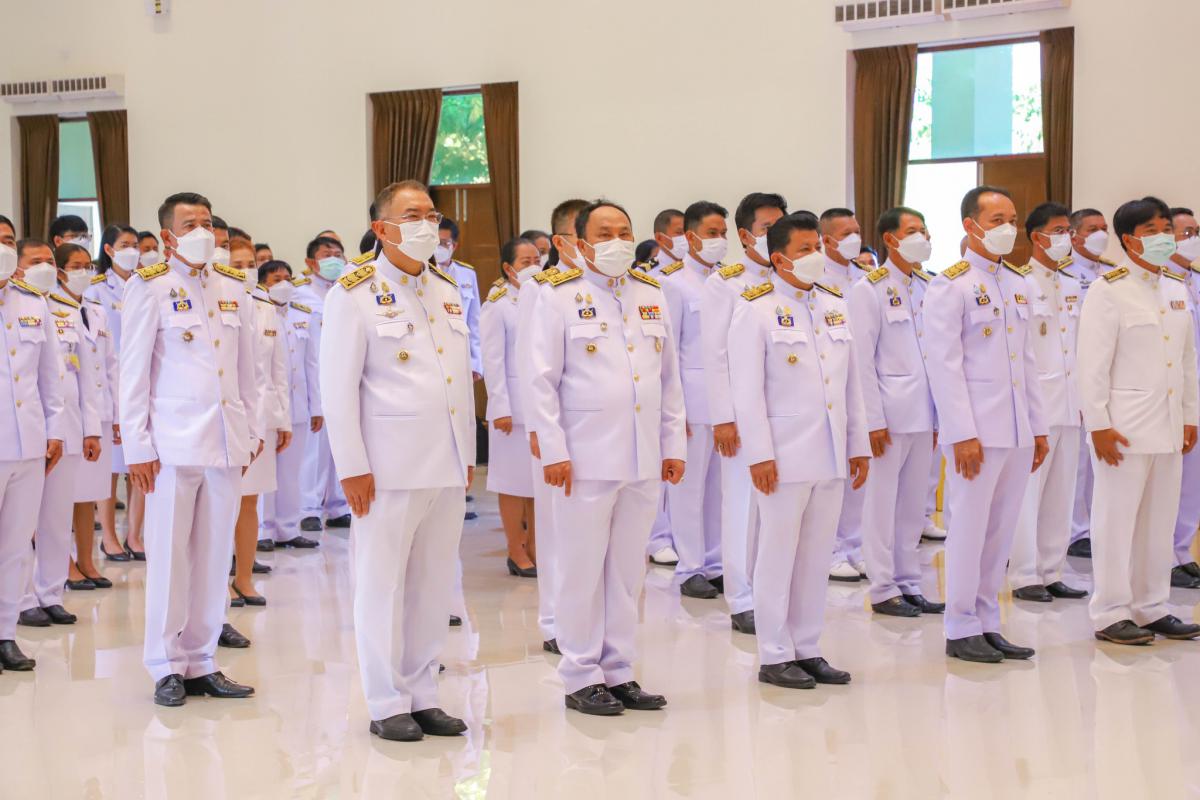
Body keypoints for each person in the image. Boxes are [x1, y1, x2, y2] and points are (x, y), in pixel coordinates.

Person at [322, 180, 475, 741]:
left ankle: (423, 693)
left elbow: (456, 381)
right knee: (381, 585)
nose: (427, 224)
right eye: (412, 216)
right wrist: (351, 466)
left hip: (445, 462)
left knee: (433, 586)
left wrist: (466, 452)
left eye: (431, 214)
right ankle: (386, 701)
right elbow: (338, 389)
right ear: (381, 229)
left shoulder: (445, 287)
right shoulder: (354, 292)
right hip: (386, 467)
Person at [528, 199, 686, 716]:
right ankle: (580, 673)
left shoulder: (650, 293)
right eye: (604, 233)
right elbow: (541, 381)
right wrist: (553, 449)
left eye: (624, 231)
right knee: (581, 568)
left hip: (642, 456)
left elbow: (668, 380)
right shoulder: (557, 296)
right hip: (584, 456)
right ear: (580, 243)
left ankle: (618, 670)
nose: (617, 241)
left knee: (626, 572)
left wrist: (673, 445)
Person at [121, 191, 262, 706]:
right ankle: (165, 665)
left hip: (225, 442)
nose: (203, 231)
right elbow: (133, 372)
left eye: (207, 222)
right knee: (169, 557)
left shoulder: (232, 286)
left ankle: (202, 660)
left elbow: (247, 368)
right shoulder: (150, 286)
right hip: (171, 446)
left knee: (213, 555)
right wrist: (137, 446)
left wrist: (250, 430)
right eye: (190, 224)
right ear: (168, 236)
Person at [729, 211, 868, 689]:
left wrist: (858, 444)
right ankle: (774, 653)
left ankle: (807, 647)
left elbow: (851, 385)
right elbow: (747, 392)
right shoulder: (756, 309)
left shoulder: (834, 304)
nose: (815, 257)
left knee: (815, 555)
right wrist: (759, 455)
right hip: (783, 455)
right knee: (777, 554)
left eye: (817, 248)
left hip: (830, 452)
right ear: (779, 258)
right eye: (804, 250)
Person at [924, 185, 1049, 663]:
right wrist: (961, 433)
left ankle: (988, 620)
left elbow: (1027, 362)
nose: (1008, 229)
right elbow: (945, 365)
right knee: (969, 529)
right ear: (970, 226)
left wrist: (1037, 427)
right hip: (976, 432)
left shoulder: (1018, 282)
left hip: (1016, 430)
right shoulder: (950, 285)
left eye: (1012, 220)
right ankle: (960, 626)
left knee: (1000, 532)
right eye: (997, 220)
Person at [1077, 196, 1200, 644]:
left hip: (1168, 427)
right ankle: (1110, 612)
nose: (1164, 237)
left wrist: (1189, 416)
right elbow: (1091, 365)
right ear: (1129, 240)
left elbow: (1185, 361)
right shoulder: (1108, 290)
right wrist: (1098, 425)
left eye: (1167, 228)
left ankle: (1151, 607)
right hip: (1123, 429)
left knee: (1158, 523)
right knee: (1115, 522)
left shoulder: (1176, 288)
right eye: (1152, 231)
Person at [850, 206, 944, 618]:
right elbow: (861, 360)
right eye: (913, 231)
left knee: (912, 505)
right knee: (880, 504)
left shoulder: (929, 286)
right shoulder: (868, 289)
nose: (923, 237)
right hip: (888, 415)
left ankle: (909, 581)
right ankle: (883, 586)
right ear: (890, 239)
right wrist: (871, 420)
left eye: (924, 230)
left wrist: (939, 416)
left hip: (923, 414)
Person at [704, 191, 788, 633]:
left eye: (780, 226)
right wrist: (723, 417)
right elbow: (716, 354)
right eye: (767, 228)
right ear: (745, 235)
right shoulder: (727, 282)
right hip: (741, 414)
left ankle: (773, 593)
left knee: (778, 510)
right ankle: (741, 598)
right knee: (742, 506)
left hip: (785, 416)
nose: (775, 234)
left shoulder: (791, 279)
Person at [15, 241, 100, 627]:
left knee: (56, 517)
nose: (47, 267)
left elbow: (86, 375)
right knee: (20, 523)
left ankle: (50, 592)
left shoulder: (67, 309)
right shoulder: (15, 307)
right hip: (27, 430)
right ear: (18, 267)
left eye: (50, 260)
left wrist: (91, 429)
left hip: (67, 428)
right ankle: (21, 599)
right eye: (36, 262)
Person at [1007, 203, 1088, 603]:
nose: (1066, 238)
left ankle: (1052, 569)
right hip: (1035, 406)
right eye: (1058, 231)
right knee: (1028, 495)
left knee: (1061, 492)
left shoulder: (1072, 284)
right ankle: (1024, 574)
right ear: (1037, 236)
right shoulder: (1019, 284)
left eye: (1068, 231)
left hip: (1069, 403)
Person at [519, 198, 589, 654]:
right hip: (553, 427)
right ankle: (553, 623)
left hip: (595, 431)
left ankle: (584, 622)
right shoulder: (540, 288)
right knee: (555, 527)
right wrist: (538, 429)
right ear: (563, 240)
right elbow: (530, 363)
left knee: (585, 536)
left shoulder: (607, 286)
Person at [0, 223, 66, 672]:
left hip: (28, 444)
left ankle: (5, 634)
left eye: (8, 242)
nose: (4, 249)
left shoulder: (33, 302)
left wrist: (54, 429)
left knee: (16, 546)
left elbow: (49, 375)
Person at [662, 201, 727, 599]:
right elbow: (668, 351)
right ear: (690, 237)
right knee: (688, 491)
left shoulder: (728, 281)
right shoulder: (674, 283)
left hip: (725, 404)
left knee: (719, 491)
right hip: (691, 401)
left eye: (723, 234)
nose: (720, 240)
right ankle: (690, 567)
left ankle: (716, 563)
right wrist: (675, 409)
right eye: (712, 233)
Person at [229, 245, 291, 608]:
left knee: (250, 500)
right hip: (229, 415)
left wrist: (283, 419)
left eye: (250, 264)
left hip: (263, 418)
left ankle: (244, 578)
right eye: (236, 264)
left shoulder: (266, 306)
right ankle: (217, 580)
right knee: (222, 502)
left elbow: (278, 370)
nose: (245, 270)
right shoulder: (217, 301)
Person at [61, 242, 120, 590]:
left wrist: (117, 414)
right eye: (75, 266)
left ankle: (86, 560)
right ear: (60, 272)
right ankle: (65, 563)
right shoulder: (52, 309)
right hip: (70, 414)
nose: (84, 272)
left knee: (89, 494)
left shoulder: (96, 311)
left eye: (88, 266)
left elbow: (111, 365)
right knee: (62, 497)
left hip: (100, 413)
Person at [481, 238, 540, 576]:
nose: (533, 266)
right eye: (525, 261)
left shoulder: (545, 296)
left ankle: (536, 547)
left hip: (540, 408)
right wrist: (500, 406)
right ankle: (516, 550)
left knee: (537, 485)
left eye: (537, 259)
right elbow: (493, 360)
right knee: (513, 484)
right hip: (512, 411)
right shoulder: (498, 304)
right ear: (508, 268)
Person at [87, 224, 143, 562]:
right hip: (109, 384)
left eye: (136, 244)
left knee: (141, 462)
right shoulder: (95, 290)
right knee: (109, 468)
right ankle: (108, 536)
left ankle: (135, 535)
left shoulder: (147, 283)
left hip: (141, 384)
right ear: (109, 250)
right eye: (125, 245)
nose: (132, 251)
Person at [820, 207, 869, 581]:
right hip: (830, 389)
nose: (854, 238)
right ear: (826, 240)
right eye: (845, 233)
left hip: (862, 386)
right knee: (832, 474)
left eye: (856, 230)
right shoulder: (816, 281)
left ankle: (854, 546)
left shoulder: (866, 279)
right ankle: (832, 549)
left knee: (858, 474)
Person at [259, 260, 321, 550]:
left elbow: (312, 364)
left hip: (297, 407)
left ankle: (288, 528)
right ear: (263, 283)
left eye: (287, 277)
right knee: (265, 474)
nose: (283, 283)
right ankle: (263, 530)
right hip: (268, 408)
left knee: (291, 473)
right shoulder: (257, 312)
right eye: (276, 279)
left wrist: (316, 407)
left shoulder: (303, 315)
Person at [296, 235, 351, 534]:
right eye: (326, 254)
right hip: (314, 378)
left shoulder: (348, 290)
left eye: (338, 254)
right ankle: (309, 508)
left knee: (341, 445)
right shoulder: (300, 294)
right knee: (313, 451)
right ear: (310, 262)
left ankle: (339, 506)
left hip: (344, 376)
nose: (334, 259)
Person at [1067, 208, 1113, 559]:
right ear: (1074, 236)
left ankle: (1098, 526)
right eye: (1092, 228)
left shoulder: (1112, 274)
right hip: (1074, 377)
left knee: (1103, 460)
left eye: (1104, 228)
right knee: (1078, 462)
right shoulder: (1063, 274)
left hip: (1109, 378)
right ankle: (1076, 530)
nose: (1101, 234)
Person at [643, 210, 686, 569]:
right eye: (680, 231)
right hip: (656, 391)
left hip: (687, 392)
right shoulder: (653, 283)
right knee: (656, 473)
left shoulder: (709, 279)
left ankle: (683, 538)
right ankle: (658, 536)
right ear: (661, 238)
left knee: (686, 479)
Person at [1165, 206, 1200, 588]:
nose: (1194, 239)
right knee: (1169, 482)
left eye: (1196, 232)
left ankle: (1182, 550)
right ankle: (1165, 556)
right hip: (1170, 397)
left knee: (1193, 482)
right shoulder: (1160, 282)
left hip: (1196, 396)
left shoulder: (1195, 280)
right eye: (1186, 233)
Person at [435, 218, 483, 381]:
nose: (438, 247)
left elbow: (474, 321)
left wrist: (475, 362)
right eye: (435, 242)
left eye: (443, 243)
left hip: (459, 353)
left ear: (454, 246)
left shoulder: (467, 274)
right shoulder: (422, 272)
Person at [651, 208, 688, 274]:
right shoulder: (647, 274)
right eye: (679, 232)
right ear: (659, 238)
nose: (686, 237)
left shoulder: (697, 267)